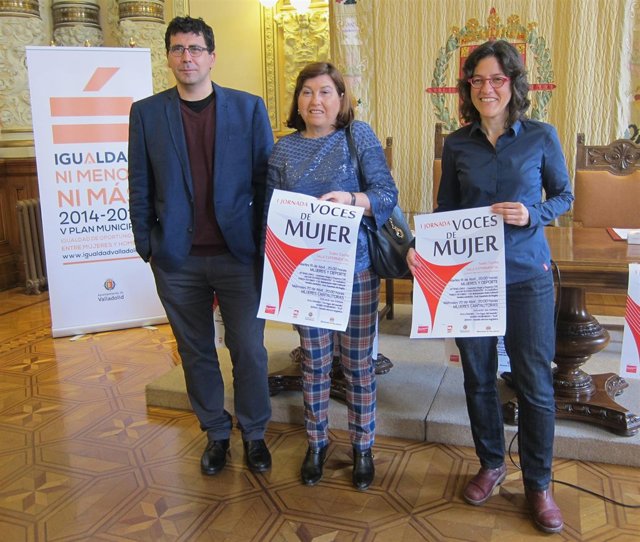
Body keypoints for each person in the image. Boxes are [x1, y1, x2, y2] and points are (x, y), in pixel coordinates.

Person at [407, 40, 573, 533]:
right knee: (478, 377)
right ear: (467, 88)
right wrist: (423, 248)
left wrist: (532, 213)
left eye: (497, 79)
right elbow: (446, 211)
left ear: (513, 84)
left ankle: (539, 484)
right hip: (469, 279)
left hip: (526, 275)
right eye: (477, 80)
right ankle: (492, 463)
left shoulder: (541, 136)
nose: (487, 88)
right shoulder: (457, 144)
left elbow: (564, 195)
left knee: (534, 383)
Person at [128, 16, 273, 476]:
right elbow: (139, 183)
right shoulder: (147, 113)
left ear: (212, 56)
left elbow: (265, 183)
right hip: (177, 260)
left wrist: (265, 246)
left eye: (194, 49)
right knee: (195, 351)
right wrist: (147, 245)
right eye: (177, 49)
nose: (186, 57)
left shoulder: (248, 109)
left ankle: (254, 434)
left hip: (239, 256)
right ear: (168, 57)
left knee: (249, 349)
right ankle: (215, 433)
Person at [265, 62, 398, 490]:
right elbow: (270, 215)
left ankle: (362, 446)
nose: (315, 101)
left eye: (325, 91)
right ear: (297, 100)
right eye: (306, 92)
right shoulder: (283, 150)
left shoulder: (357, 136)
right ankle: (317, 443)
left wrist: (352, 199)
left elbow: (387, 194)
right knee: (315, 364)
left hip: (356, 269)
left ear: (341, 98)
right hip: (304, 277)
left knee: (358, 365)